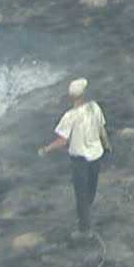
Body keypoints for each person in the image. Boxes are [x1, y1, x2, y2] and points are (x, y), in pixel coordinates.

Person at [39, 78, 110, 239]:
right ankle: (87, 215)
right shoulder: (95, 108)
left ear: (71, 97)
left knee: (81, 194)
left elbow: (62, 141)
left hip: (81, 160)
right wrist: (106, 146)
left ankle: (84, 230)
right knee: (91, 188)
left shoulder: (70, 116)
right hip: (96, 155)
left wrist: (46, 149)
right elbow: (101, 128)